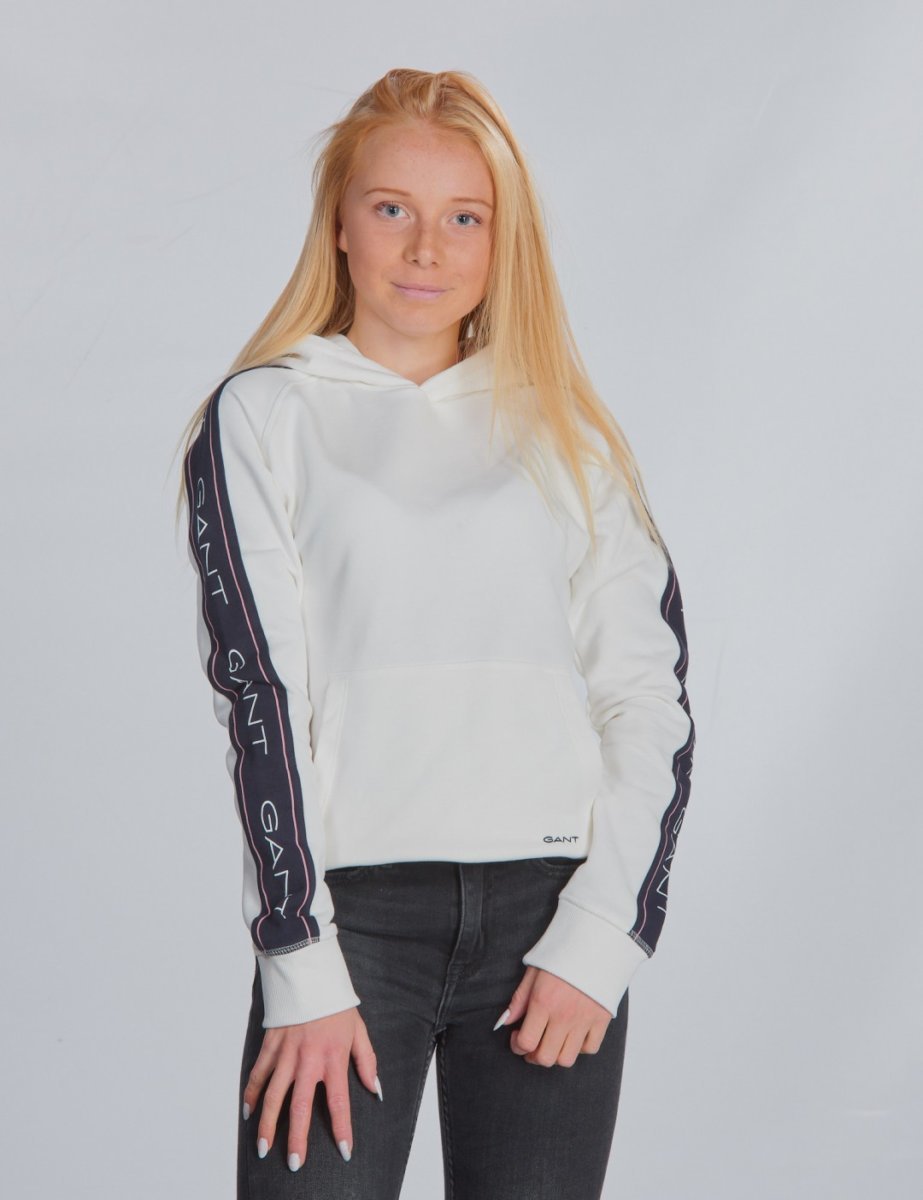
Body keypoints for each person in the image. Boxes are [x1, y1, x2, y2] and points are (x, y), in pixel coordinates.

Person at [175, 67, 695, 1200]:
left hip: (548, 921)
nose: (426, 248)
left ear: (504, 242)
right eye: (391, 209)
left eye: (465, 217)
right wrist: (299, 958)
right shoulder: (264, 414)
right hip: (352, 924)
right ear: (340, 225)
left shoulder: (566, 431)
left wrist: (601, 938)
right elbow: (259, 695)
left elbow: (647, 697)